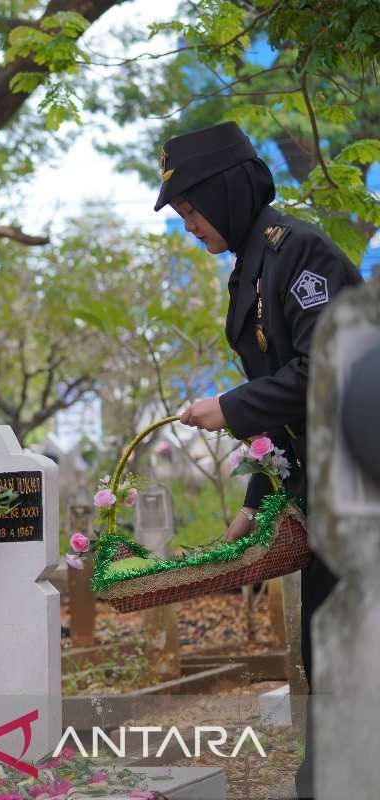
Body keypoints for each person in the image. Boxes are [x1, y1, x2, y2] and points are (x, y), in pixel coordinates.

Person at [158, 121, 362, 799]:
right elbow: (287, 405)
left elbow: (329, 372)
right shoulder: (253, 265)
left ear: (226, 191)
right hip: (321, 484)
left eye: (191, 208)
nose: (190, 225)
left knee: (346, 653)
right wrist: (253, 498)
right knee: (324, 653)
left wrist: (233, 404)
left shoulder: (299, 252)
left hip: (363, 483)